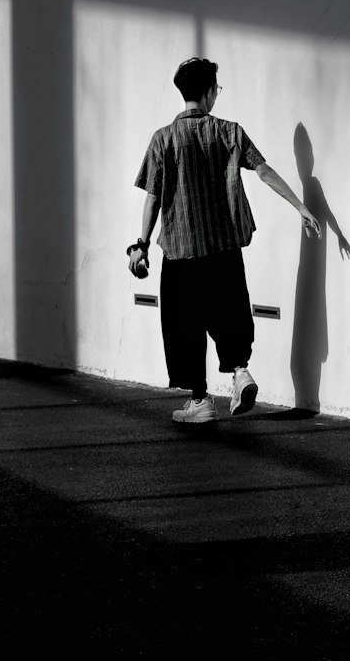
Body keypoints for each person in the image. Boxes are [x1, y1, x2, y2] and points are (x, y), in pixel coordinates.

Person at [128, 57, 321, 423]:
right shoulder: (229, 132)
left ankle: (200, 400)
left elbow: (153, 196)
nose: (217, 93)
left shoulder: (163, 140)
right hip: (223, 247)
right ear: (207, 91)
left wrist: (141, 244)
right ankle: (239, 372)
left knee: (184, 323)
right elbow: (262, 170)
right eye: (216, 88)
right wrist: (299, 205)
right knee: (230, 310)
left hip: (181, 250)